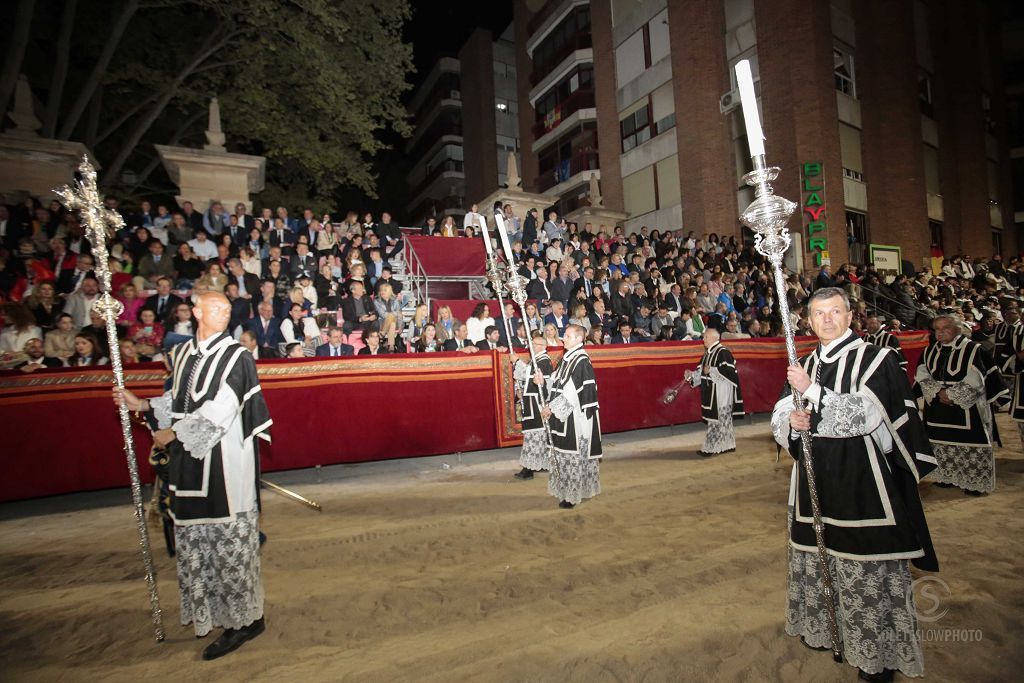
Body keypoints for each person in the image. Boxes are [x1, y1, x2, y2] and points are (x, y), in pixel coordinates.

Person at [770, 287, 938, 682]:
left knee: (865, 568)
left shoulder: (876, 358)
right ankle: (829, 629)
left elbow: (864, 416)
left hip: (864, 481)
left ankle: (877, 656)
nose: (826, 320)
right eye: (818, 313)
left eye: (834, 311)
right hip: (813, 485)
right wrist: (790, 425)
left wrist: (811, 391)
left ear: (850, 316)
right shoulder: (803, 362)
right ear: (808, 321)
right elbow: (780, 416)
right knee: (818, 559)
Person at [113, 292, 271, 660]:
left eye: (228, 310)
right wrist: (143, 405)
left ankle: (245, 622)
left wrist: (175, 433)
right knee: (200, 545)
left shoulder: (237, 356)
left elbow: (223, 409)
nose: (225, 313)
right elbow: (179, 403)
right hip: (189, 467)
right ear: (197, 312)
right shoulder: (182, 354)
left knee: (229, 544)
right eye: (217, 308)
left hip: (226, 465)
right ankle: (219, 614)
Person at [915, 315, 1008, 495]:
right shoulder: (929, 351)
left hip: (967, 407)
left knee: (971, 443)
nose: (940, 332)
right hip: (937, 407)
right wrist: (937, 392)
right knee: (941, 441)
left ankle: (973, 482)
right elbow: (922, 374)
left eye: (945, 328)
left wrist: (952, 395)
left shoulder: (974, 350)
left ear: (957, 329)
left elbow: (977, 377)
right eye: (937, 329)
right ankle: (947, 477)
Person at [537, 324, 601, 509]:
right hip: (563, 416)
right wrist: (544, 381)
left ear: (579, 339)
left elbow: (572, 393)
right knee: (565, 455)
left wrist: (550, 408)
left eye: (567, 335)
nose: (563, 338)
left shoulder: (581, 361)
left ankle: (572, 495)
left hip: (574, 418)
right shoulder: (568, 358)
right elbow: (557, 382)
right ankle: (569, 490)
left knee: (572, 456)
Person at [684, 328, 744, 456]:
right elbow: (702, 371)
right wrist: (691, 375)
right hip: (711, 392)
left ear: (713, 338)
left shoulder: (723, 352)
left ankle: (710, 448)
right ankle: (728, 445)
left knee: (718, 419)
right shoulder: (708, 353)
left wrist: (711, 370)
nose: (703, 340)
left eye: (705, 337)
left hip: (722, 392)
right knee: (723, 420)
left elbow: (730, 374)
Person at [513, 332, 553, 480]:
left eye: (534, 344)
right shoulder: (536, 360)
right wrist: (521, 389)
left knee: (534, 436)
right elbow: (526, 377)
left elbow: (531, 375)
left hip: (537, 404)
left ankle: (528, 468)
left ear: (542, 346)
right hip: (532, 402)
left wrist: (517, 361)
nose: (531, 346)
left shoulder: (543, 360)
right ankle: (539, 464)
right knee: (537, 436)